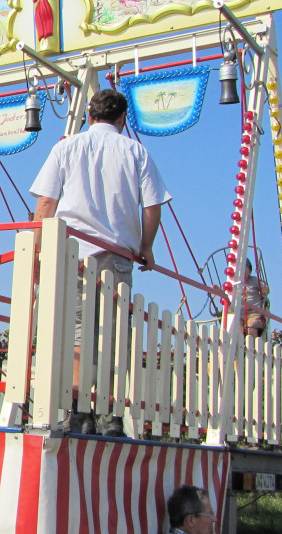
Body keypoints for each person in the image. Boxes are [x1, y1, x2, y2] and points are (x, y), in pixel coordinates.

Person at [29, 89, 171, 436]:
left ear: (89, 115)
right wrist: (146, 247)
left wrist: (36, 251)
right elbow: (152, 206)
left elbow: (46, 204)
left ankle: (79, 413)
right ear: (123, 119)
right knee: (112, 334)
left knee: (78, 334)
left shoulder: (66, 147)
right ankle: (110, 416)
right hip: (118, 256)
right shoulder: (137, 152)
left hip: (75, 253)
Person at [242, 258, 269, 337]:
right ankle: (239, 345)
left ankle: (252, 345)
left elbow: (264, 290)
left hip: (254, 311)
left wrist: (265, 290)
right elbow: (227, 294)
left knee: (252, 328)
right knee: (237, 327)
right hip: (240, 312)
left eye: (246, 274)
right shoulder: (233, 282)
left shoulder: (254, 280)